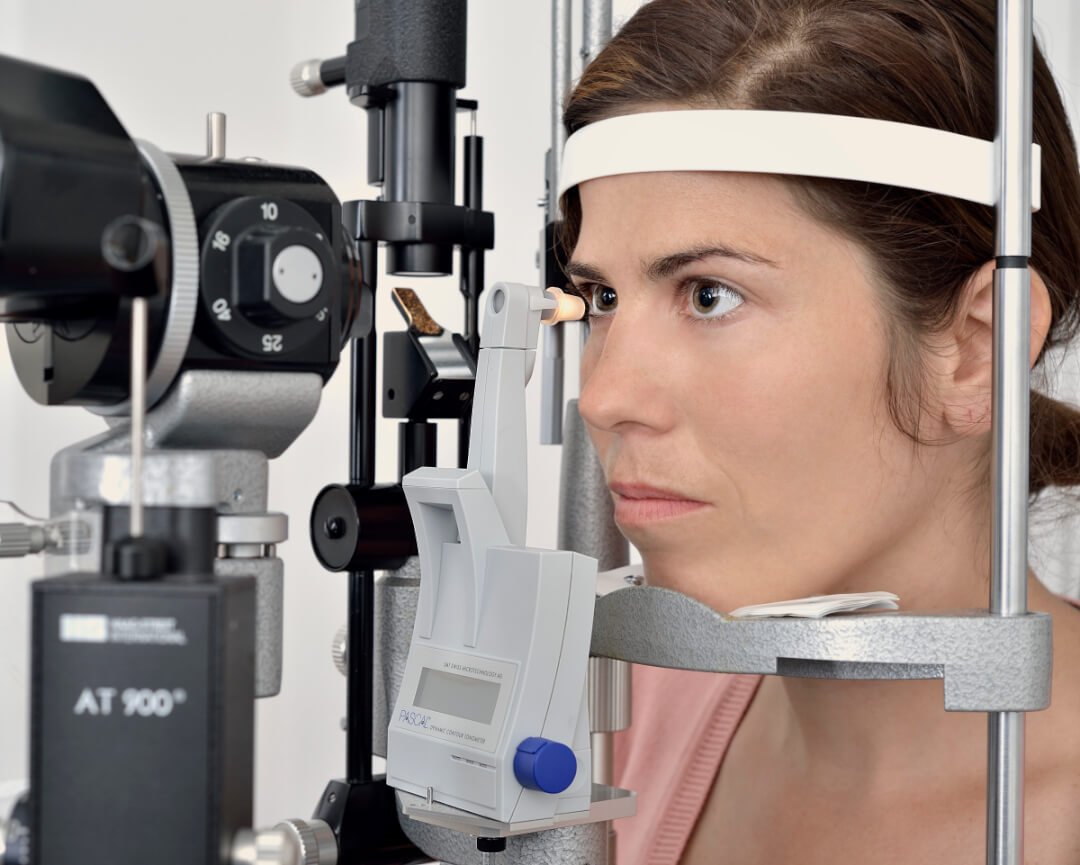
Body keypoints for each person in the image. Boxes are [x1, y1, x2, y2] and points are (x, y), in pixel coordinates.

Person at [558, 0, 1080, 862]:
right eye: (603, 298)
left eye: (709, 295)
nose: (604, 395)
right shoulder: (614, 716)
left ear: (975, 348)